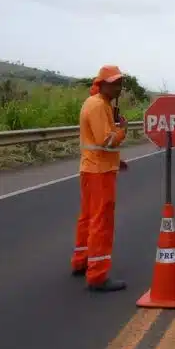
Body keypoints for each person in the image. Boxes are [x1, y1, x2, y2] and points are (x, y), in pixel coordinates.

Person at [70, 65, 129, 292]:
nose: (118, 88)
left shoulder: (97, 103)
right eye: (114, 84)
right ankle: (97, 275)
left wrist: (117, 161)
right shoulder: (98, 106)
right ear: (101, 84)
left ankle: (81, 261)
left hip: (93, 168)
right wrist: (122, 130)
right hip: (99, 173)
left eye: (120, 84)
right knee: (101, 221)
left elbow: (98, 144)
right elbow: (106, 140)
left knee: (88, 217)